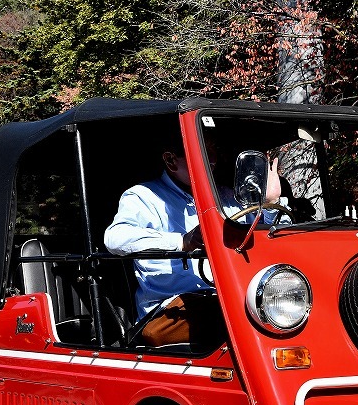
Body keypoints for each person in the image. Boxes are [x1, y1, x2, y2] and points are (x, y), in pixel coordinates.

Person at [104, 132, 276, 349]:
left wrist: (270, 203)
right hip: (171, 309)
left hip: (231, 295)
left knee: (286, 302)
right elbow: (115, 238)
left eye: (214, 150)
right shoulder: (143, 196)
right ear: (170, 160)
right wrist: (182, 241)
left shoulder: (226, 196)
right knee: (248, 314)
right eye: (203, 151)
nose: (213, 159)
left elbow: (267, 237)